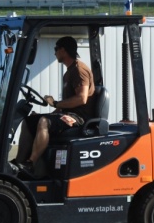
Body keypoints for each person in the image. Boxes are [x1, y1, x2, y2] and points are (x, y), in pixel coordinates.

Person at [13, 36, 95, 178]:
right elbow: (66, 104)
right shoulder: (69, 72)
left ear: (63, 50)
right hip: (69, 114)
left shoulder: (79, 71)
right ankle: (19, 163)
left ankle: (31, 163)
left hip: (79, 118)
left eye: (56, 49)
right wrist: (53, 111)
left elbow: (81, 98)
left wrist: (55, 103)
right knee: (30, 121)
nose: (54, 53)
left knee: (44, 122)